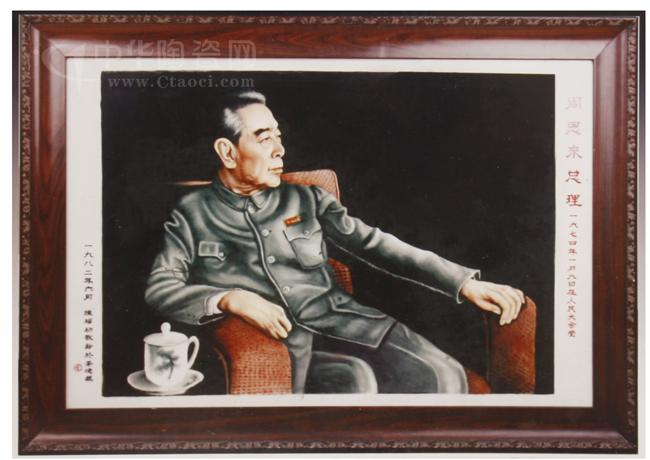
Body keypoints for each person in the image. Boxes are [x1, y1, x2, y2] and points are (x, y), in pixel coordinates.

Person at [145, 91, 525, 394]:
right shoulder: (191, 213)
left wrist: (463, 283)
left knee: (444, 375)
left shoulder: (306, 198)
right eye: (264, 138)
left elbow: (376, 245)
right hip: (287, 346)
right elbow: (161, 287)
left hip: (349, 324)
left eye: (278, 136)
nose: (279, 149)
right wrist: (230, 298)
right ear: (227, 152)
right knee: (355, 382)